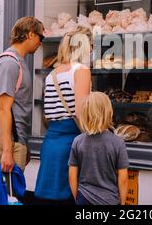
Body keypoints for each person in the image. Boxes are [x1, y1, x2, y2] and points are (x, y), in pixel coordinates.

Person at [34, 26, 92, 204]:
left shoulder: (52, 73)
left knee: (49, 197)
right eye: (91, 45)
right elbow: (80, 112)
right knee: (69, 196)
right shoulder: (81, 70)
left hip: (51, 142)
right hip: (71, 142)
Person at [0, 16, 45, 173]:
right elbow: (3, 109)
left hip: (14, 139)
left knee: (10, 192)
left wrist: (22, 143)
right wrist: (7, 151)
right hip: (4, 140)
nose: (41, 42)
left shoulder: (18, 61)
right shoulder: (9, 63)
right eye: (40, 37)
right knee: (6, 193)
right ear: (30, 34)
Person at [68, 92, 129, 205]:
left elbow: (72, 176)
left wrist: (77, 197)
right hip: (109, 199)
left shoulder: (78, 141)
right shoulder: (118, 142)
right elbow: (123, 178)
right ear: (109, 113)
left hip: (84, 198)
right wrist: (123, 202)